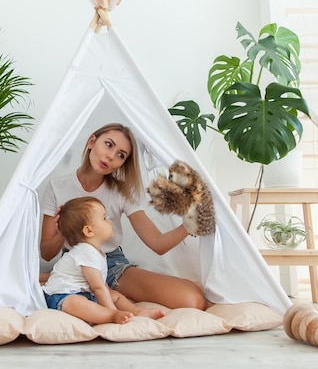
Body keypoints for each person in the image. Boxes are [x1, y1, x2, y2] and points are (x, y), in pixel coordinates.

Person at [40, 123, 208, 310]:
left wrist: (190, 224)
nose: (111, 156)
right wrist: (63, 231)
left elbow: (157, 243)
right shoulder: (57, 187)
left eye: (121, 155)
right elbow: (46, 253)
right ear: (91, 142)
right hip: (73, 265)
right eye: (109, 144)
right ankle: (52, 278)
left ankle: (49, 278)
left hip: (111, 264)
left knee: (195, 300)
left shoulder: (121, 192)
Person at [42, 196, 165, 325]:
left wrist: (110, 297)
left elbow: (102, 285)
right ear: (89, 230)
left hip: (84, 292)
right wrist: (112, 310)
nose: (109, 221)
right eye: (104, 218)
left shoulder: (97, 252)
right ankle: (111, 316)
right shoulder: (85, 251)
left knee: (113, 294)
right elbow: (97, 287)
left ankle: (137, 311)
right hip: (61, 296)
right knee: (76, 303)